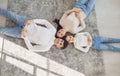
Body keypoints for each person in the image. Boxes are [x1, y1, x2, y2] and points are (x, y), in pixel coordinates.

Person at [0, 8, 68, 52]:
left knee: (3, 30)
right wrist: (33, 21)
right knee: (9, 13)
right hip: (26, 22)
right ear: (61, 38)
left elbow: (31, 48)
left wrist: (25, 37)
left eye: (60, 44)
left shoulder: (46, 47)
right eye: (61, 40)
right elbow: (45, 22)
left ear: (58, 47)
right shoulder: (53, 31)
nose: (59, 41)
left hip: (21, 33)